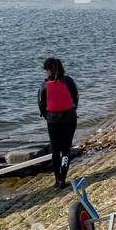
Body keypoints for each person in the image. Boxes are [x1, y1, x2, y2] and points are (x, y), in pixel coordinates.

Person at [38, 57, 78, 188]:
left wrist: (47, 116)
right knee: (66, 149)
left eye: (46, 70)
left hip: (53, 120)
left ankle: (56, 180)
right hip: (69, 118)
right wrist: (72, 111)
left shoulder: (44, 86)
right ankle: (62, 179)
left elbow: (41, 104)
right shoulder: (69, 81)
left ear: (49, 70)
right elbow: (75, 97)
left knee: (55, 150)